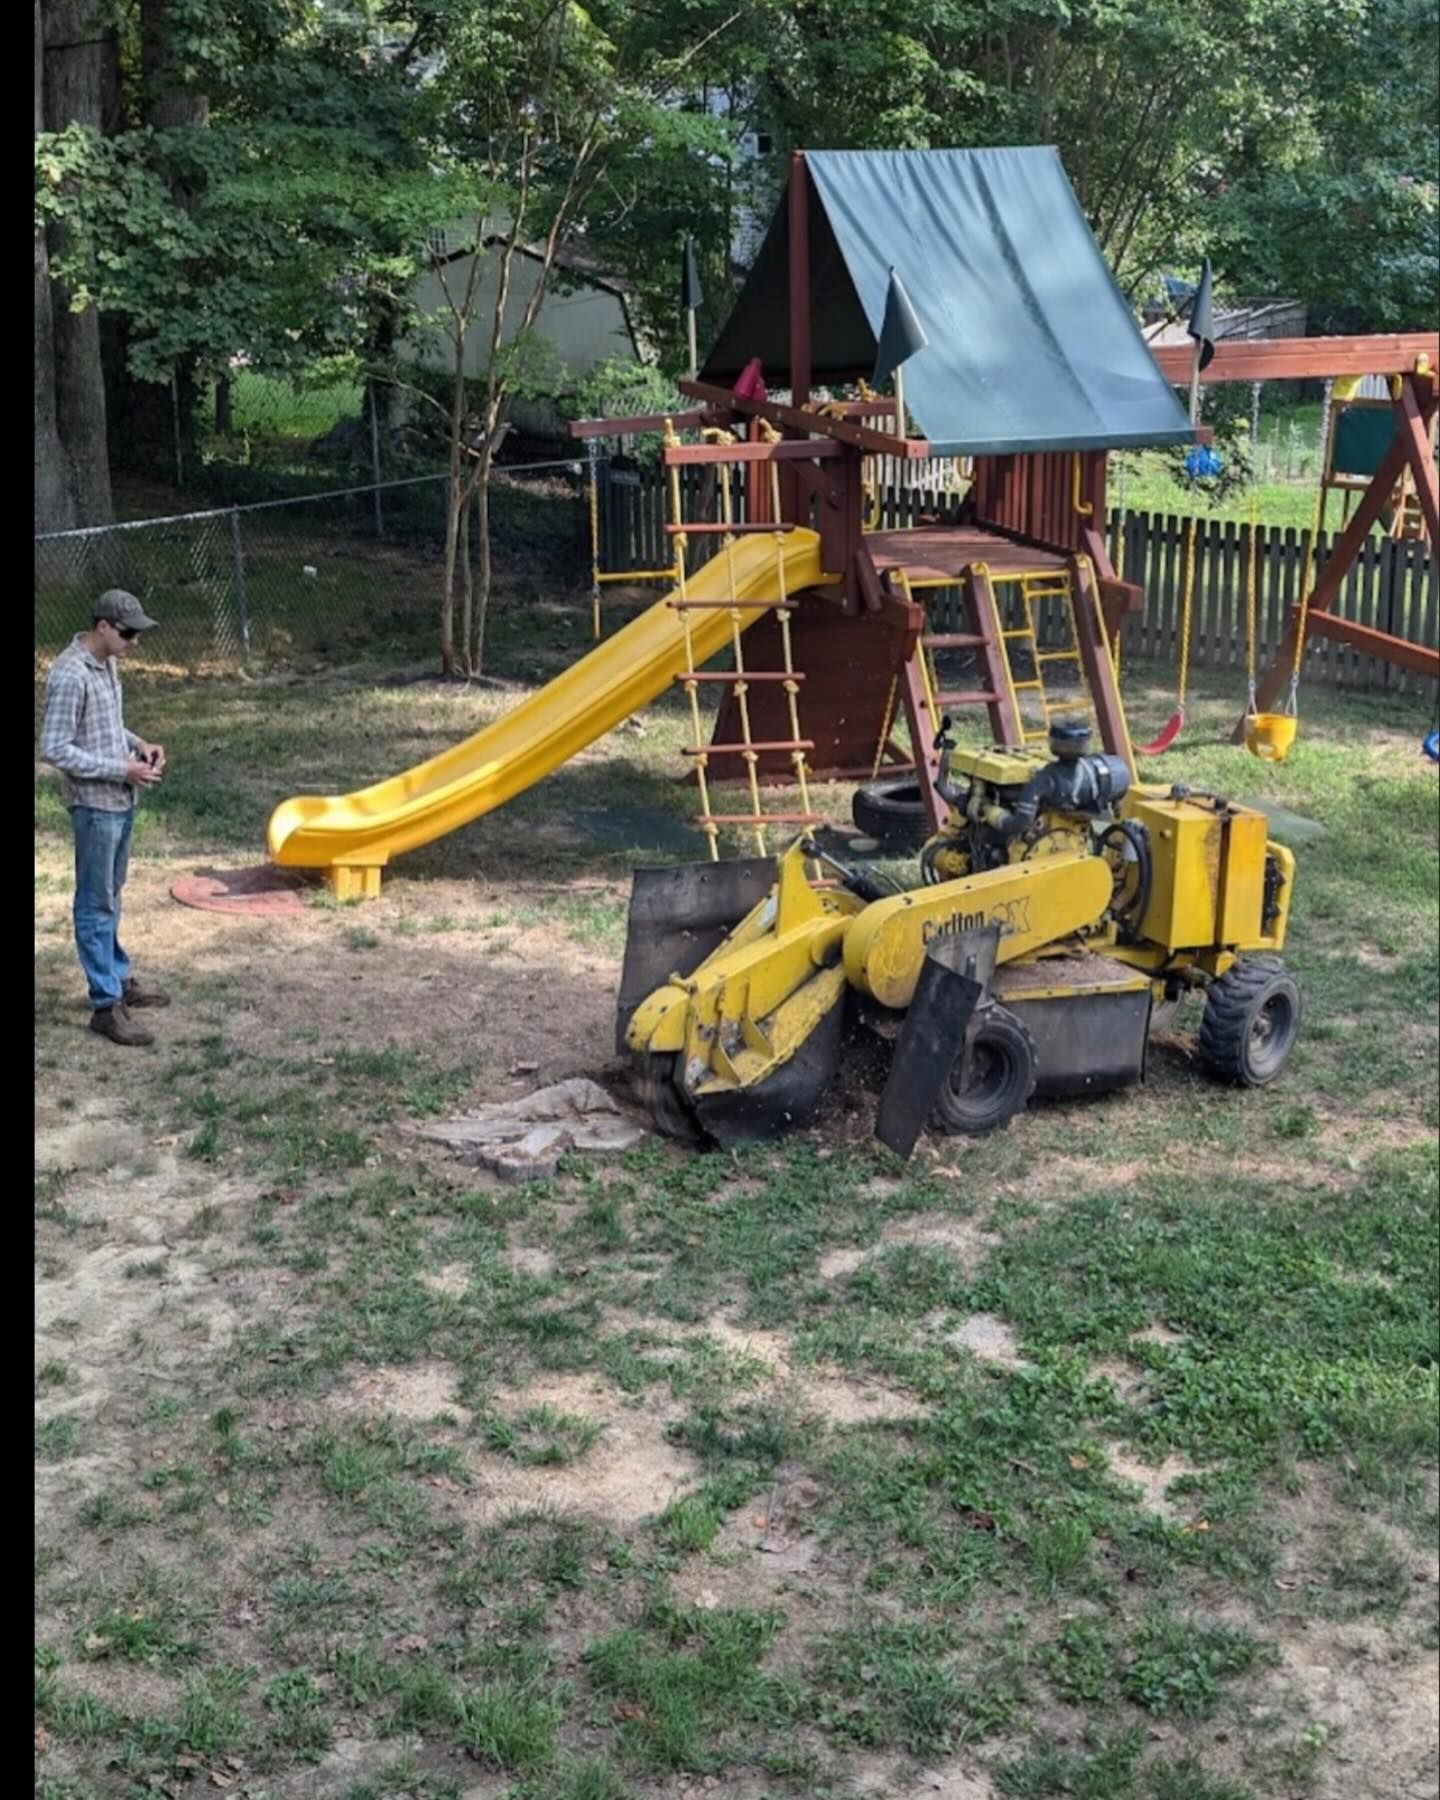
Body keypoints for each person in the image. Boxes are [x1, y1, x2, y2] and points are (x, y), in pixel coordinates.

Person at [39, 589, 171, 1047]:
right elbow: (53, 747)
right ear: (103, 627)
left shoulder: (107, 663)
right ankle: (104, 1004)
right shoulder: (70, 673)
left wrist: (139, 744)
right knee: (95, 903)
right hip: (95, 806)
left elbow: (105, 725)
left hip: (121, 800)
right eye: (128, 632)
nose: (134, 641)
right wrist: (122, 768)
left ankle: (116, 979)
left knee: (112, 894)